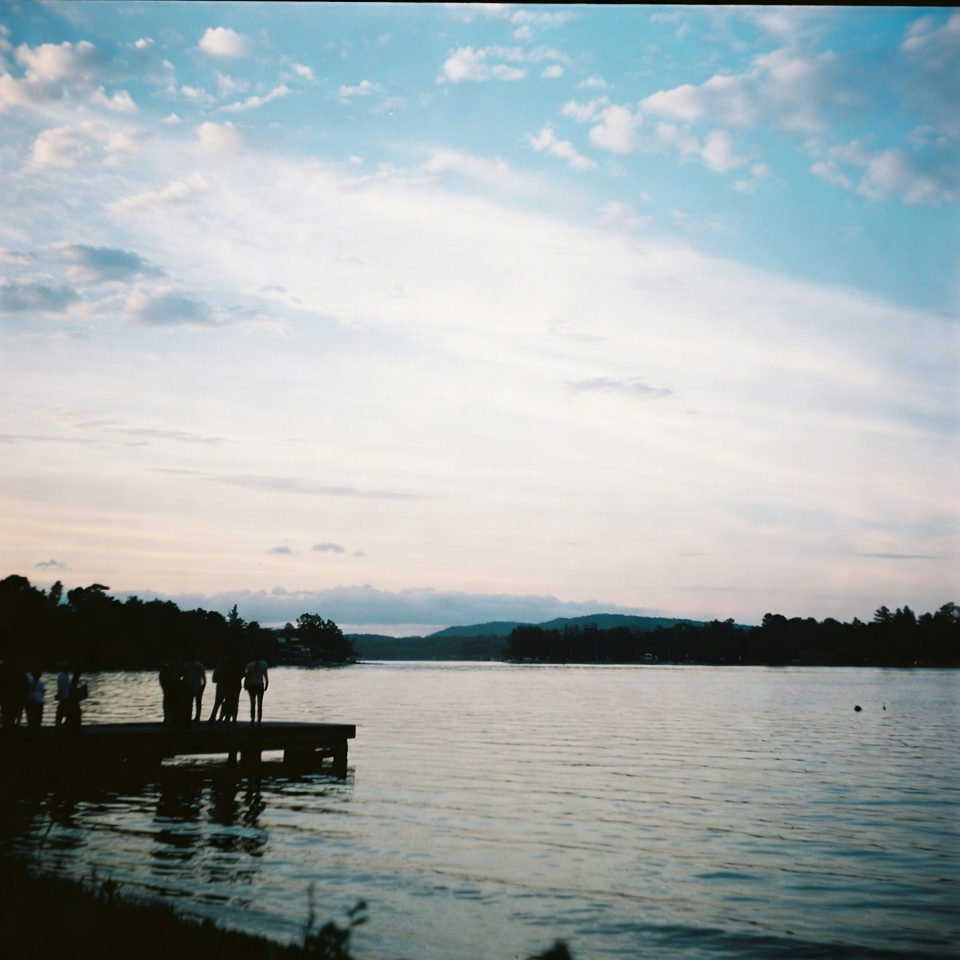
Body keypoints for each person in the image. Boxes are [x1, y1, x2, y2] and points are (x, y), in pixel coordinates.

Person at [219, 652, 244, 723]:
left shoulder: (226, 663)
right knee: (235, 701)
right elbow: (243, 674)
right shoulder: (239, 664)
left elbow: (222, 674)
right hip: (237, 684)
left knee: (228, 701)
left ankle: (225, 717)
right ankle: (233, 718)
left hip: (227, 684)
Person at [244, 655, 269, 723]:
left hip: (251, 685)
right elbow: (265, 675)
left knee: (252, 702)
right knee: (260, 703)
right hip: (260, 684)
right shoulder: (264, 664)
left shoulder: (250, 664)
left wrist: (245, 684)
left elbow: (247, 675)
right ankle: (259, 719)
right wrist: (267, 683)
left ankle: (252, 718)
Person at [182, 654, 206, 723]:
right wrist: (204, 685)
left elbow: (185, 677)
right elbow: (203, 676)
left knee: (189, 703)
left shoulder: (186, 666)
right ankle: (197, 717)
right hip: (198, 686)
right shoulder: (200, 665)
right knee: (198, 703)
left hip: (189, 686)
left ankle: (188, 717)